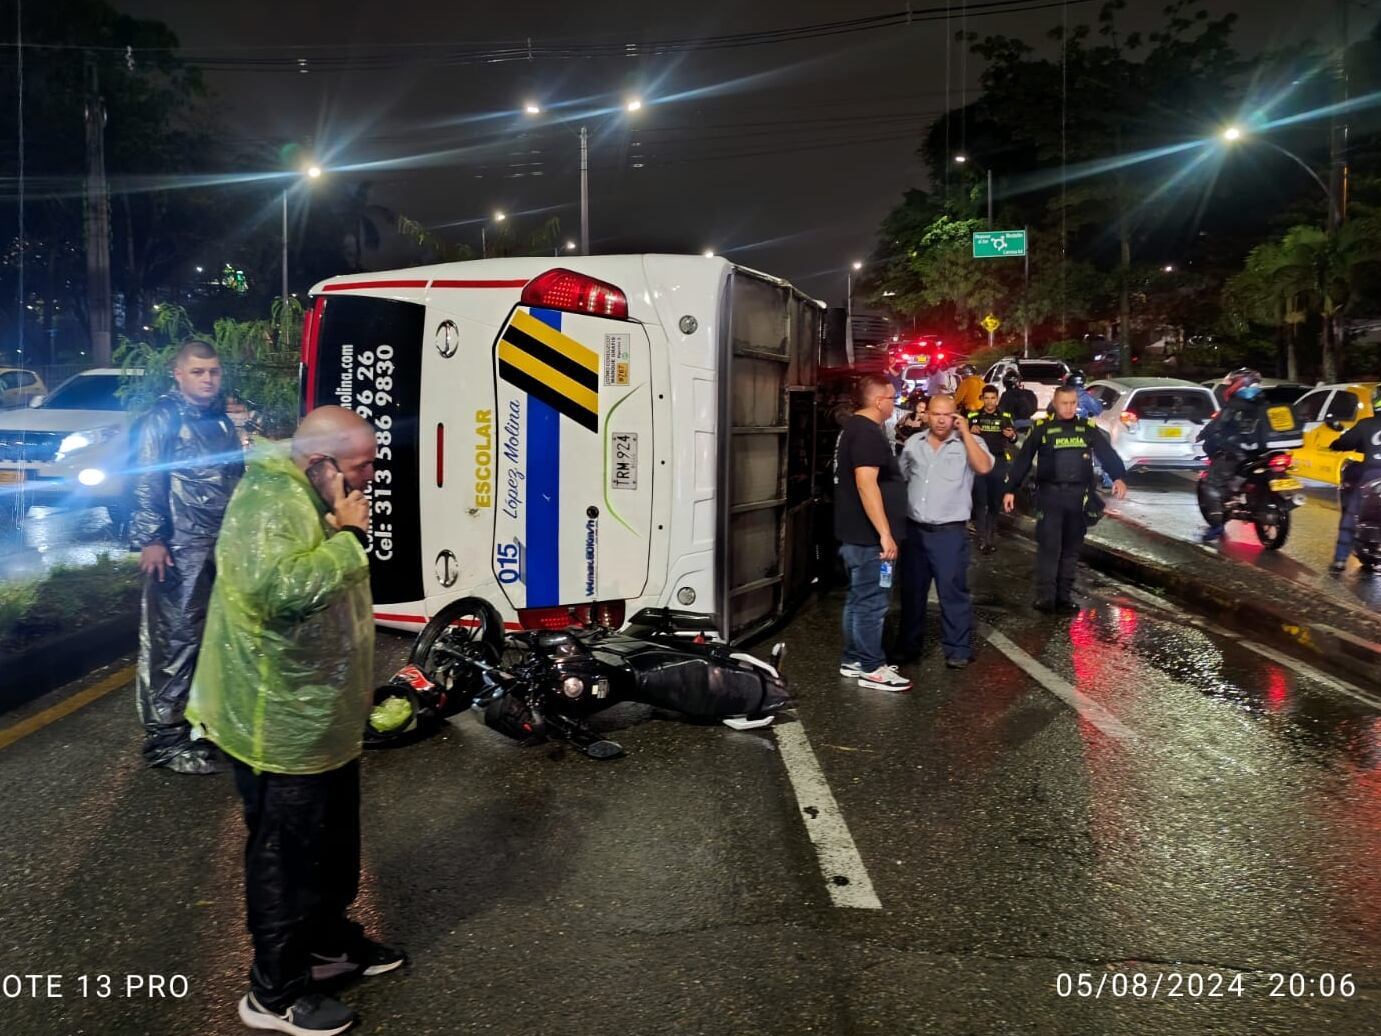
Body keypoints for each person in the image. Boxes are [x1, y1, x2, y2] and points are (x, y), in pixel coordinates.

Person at [186, 406, 404, 1035]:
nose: (370, 477)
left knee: (333, 846)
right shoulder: (266, 506)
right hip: (275, 721)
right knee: (284, 856)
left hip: (320, 715)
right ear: (322, 464)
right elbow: (281, 593)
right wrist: (348, 538)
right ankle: (274, 994)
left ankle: (328, 947)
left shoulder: (312, 493)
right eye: (361, 467)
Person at [128, 339, 244, 774]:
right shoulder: (163, 418)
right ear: (178, 374)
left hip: (218, 544)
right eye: (198, 372)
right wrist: (152, 538)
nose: (208, 379)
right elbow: (144, 479)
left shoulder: (219, 421)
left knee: (212, 637)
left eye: (213, 371)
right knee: (175, 639)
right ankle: (165, 739)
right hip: (179, 549)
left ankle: (199, 724)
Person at [1004, 387, 1127, 613]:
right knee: (1050, 549)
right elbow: (1023, 460)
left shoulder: (1086, 428)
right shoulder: (1042, 429)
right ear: (1055, 402)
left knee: (1071, 550)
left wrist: (1118, 476)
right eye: (1064, 403)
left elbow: (1106, 453)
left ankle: (1064, 597)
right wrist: (1010, 489)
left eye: (1073, 403)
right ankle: (1045, 597)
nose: (1069, 407)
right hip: (1050, 497)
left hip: (1078, 498)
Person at [895, 395, 993, 669]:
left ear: (956, 416)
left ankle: (958, 648)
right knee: (912, 592)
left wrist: (966, 434)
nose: (940, 419)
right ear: (927, 416)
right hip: (915, 531)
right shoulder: (914, 444)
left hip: (949, 533)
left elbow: (984, 467)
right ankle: (908, 646)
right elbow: (900, 479)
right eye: (935, 414)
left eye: (947, 415)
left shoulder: (970, 444)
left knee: (952, 591)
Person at [833, 374, 911, 691]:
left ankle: (853, 658)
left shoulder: (854, 428)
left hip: (856, 536)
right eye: (892, 398)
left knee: (857, 599)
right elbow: (867, 484)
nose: (894, 404)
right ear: (879, 401)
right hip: (869, 540)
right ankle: (871, 666)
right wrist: (885, 534)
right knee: (873, 603)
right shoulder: (866, 433)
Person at [1196, 368, 1274, 543]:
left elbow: (1217, 426)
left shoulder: (1234, 405)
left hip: (1239, 453)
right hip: (1264, 452)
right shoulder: (1265, 402)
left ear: (1238, 384)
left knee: (1211, 485)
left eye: (1232, 383)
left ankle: (1216, 527)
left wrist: (1204, 434)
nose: (1229, 387)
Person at [1328, 386, 1381, 572]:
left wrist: (1335, 444)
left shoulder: (1366, 424)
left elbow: (1345, 442)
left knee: (1351, 515)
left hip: (1372, 477)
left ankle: (1340, 559)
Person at [967, 386, 1017, 553]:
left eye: (992, 398)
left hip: (998, 462)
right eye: (986, 398)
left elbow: (1013, 438)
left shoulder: (1005, 416)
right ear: (982, 399)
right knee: (980, 501)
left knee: (995, 502)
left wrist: (1012, 436)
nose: (989, 401)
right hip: (979, 462)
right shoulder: (974, 416)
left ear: (997, 399)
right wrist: (968, 431)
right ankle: (983, 539)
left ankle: (990, 535)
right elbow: (963, 438)